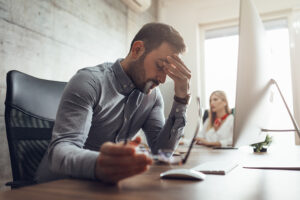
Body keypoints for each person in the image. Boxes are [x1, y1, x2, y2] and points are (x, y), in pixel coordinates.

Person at [35, 22, 191, 184]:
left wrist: (181, 99)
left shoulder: (152, 97)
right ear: (137, 50)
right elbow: (59, 152)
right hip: (57, 186)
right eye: (160, 66)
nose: (162, 79)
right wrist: (100, 164)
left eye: (167, 72)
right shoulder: (89, 82)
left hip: (104, 188)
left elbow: (162, 153)